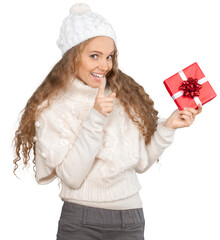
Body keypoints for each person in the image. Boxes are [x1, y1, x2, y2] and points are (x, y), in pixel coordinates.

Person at [13, 3, 202, 240]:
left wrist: (168, 127)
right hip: (80, 220)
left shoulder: (123, 96)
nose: (104, 65)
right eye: (94, 56)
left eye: (109, 56)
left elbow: (141, 163)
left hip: (130, 218)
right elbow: (72, 176)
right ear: (72, 58)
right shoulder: (53, 107)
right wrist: (95, 117)